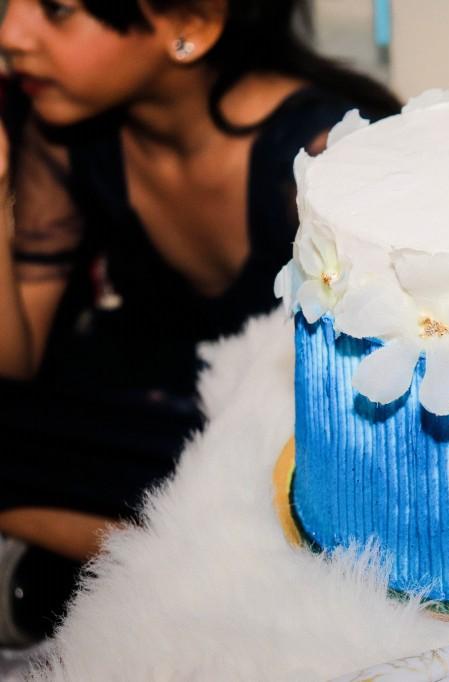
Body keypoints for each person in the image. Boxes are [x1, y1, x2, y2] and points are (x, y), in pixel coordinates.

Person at [0, 0, 400, 638]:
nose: (11, 33)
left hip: (280, 412)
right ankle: (112, 565)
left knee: (284, 495)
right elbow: (14, 359)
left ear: (191, 25)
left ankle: (78, 565)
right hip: (142, 392)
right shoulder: (65, 129)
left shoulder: (325, 153)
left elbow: (380, 396)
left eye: (58, 9)